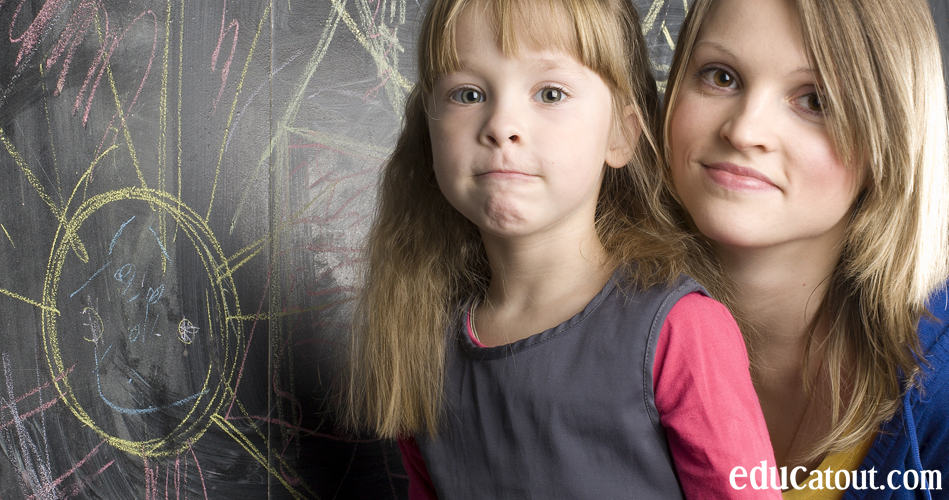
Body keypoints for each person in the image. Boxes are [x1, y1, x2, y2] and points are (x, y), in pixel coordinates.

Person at [343, 0, 782, 498]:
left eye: (550, 93)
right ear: (429, 131)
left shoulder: (682, 331)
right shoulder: (419, 340)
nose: (501, 125)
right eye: (468, 93)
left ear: (621, 134)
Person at [661, 0, 949, 497]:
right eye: (721, 77)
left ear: (893, 139)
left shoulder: (941, 387)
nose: (745, 130)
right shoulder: (576, 324)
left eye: (815, 101)